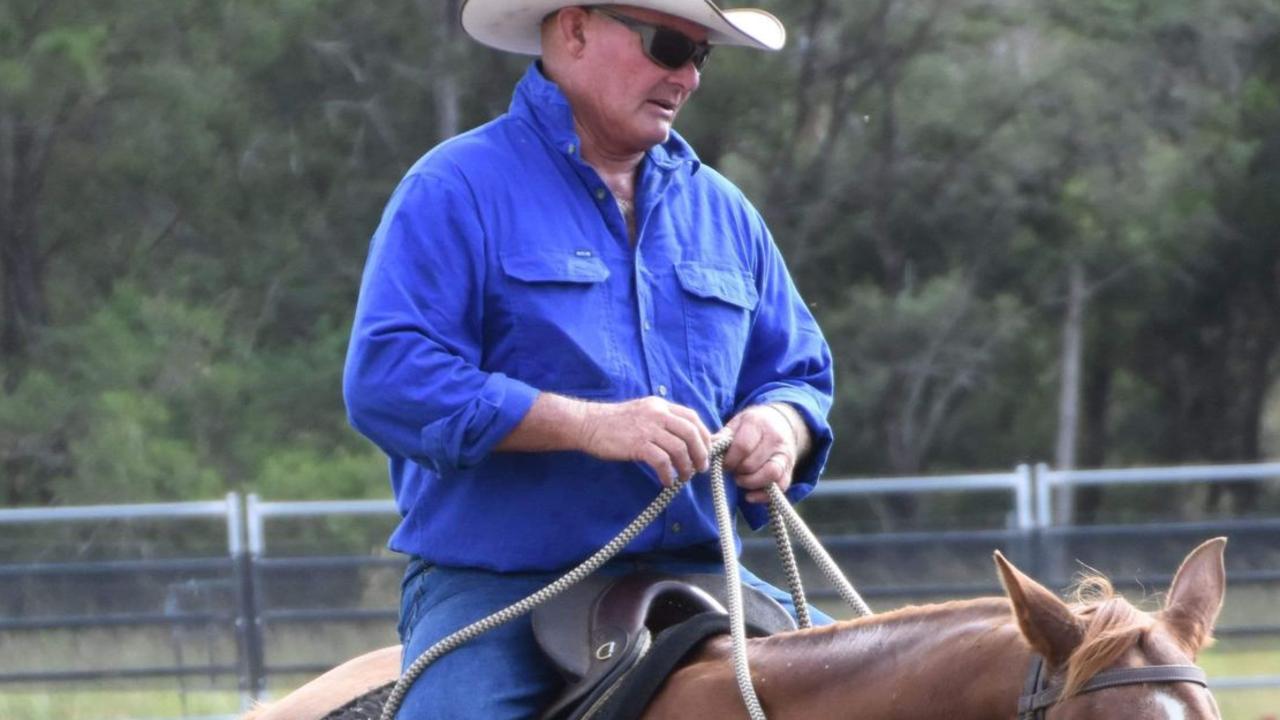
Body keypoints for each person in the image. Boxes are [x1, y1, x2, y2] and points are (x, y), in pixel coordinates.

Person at [342, 2, 836, 717]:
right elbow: (388, 377)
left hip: (706, 575)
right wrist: (590, 426)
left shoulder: (726, 214)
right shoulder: (454, 189)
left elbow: (797, 373)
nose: (687, 77)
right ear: (573, 31)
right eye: (668, 45)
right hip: (501, 588)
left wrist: (782, 426)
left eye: (700, 55)